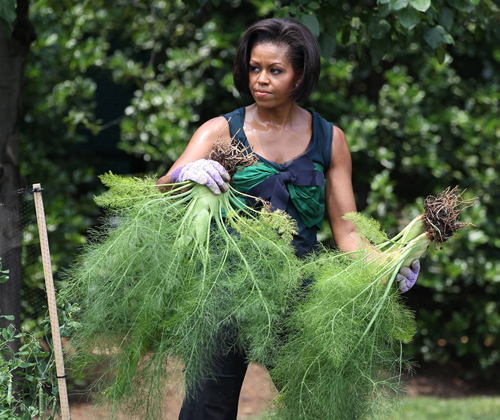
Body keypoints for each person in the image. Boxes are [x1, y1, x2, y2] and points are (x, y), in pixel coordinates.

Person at [157, 17, 420, 420]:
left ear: (299, 76)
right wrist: (183, 174)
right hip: (223, 291)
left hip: (299, 291)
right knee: (207, 409)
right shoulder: (220, 130)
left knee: (317, 404)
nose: (261, 79)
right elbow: (162, 190)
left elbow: (348, 229)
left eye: (275, 70)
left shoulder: (330, 139)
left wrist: (386, 265)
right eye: (254, 68)